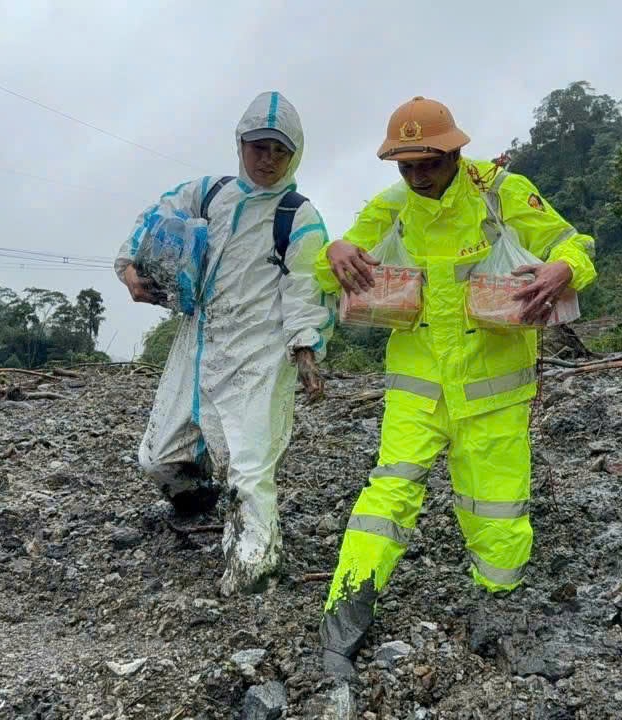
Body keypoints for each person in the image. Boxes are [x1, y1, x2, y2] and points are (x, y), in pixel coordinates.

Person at [315, 96, 597, 678]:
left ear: (455, 152)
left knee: (497, 511)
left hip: (494, 387)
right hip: (418, 387)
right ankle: (343, 618)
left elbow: (574, 243)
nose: (418, 177)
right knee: (387, 495)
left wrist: (564, 268)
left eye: (429, 163)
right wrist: (334, 249)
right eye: (406, 166)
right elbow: (330, 268)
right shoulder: (392, 207)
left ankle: (501, 607)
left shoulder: (502, 193)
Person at [115, 91, 334, 596]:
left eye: (280, 150)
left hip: (258, 348)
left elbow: (305, 286)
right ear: (240, 145)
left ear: (294, 155)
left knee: (248, 465)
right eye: (259, 147)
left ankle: (257, 565)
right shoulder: (210, 194)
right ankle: (197, 501)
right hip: (197, 339)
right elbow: (156, 215)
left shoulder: (297, 215)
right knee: (158, 457)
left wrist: (306, 348)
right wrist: (129, 266)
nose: (268, 160)